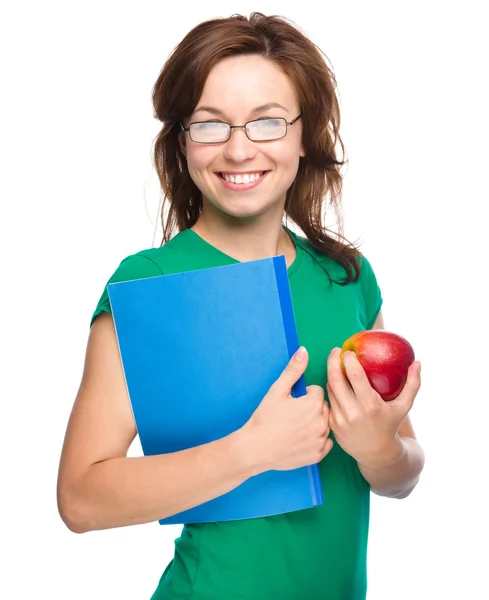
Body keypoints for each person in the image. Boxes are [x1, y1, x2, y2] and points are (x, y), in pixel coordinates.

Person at [57, 12, 425, 600]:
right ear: (182, 140)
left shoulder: (347, 277)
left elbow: (402, 475)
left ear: (306, 135)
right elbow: (80, 498)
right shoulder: (149, 283)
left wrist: (380, 450)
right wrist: (251, 452)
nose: (236, 149)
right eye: (209, 125)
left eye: (267, 122)